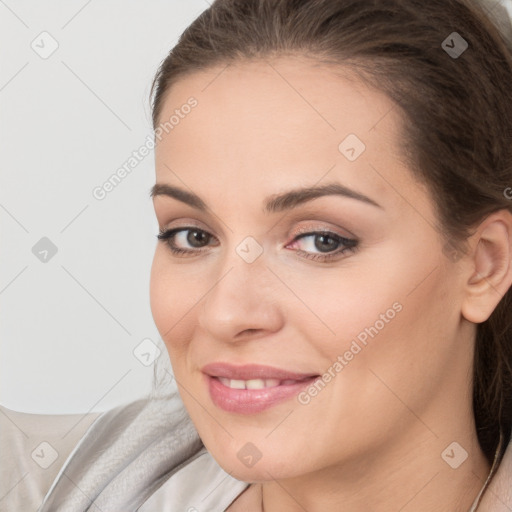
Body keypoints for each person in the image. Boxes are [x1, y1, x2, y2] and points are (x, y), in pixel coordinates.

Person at [2, 0, 512, 510]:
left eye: (320, 240)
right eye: (192, 236)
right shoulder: (60, 486)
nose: (225, 313)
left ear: (484, 265)